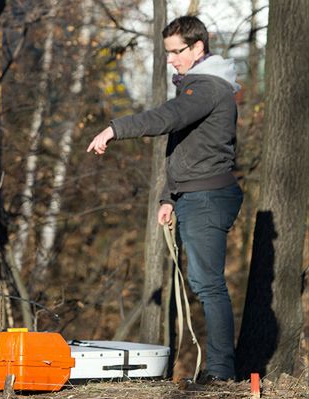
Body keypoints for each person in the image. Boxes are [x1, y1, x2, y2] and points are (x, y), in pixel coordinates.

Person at [87, 16, 243, 382]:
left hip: (208, 197)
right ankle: (218, 370)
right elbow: (183, 146)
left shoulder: (207, 86)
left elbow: (168, 119)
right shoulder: (199, 85)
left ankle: (221, 373)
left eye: (176, 52)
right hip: (194, 193)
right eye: (168, 52)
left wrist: (115, 128)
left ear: (197, 47)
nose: (171, 59)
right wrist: (168, 196)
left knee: (208, 284)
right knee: (204, 282)